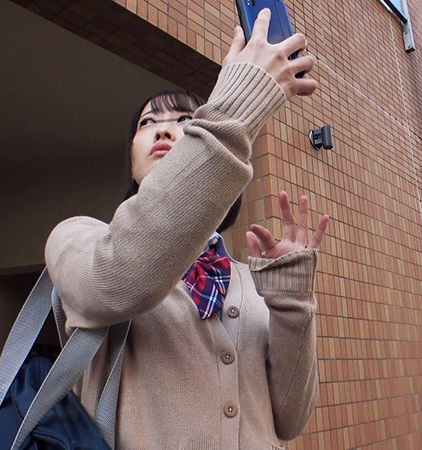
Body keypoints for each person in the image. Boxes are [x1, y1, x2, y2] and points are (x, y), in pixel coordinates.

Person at [44, 10, 330, 448]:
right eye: (147, 123)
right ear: (131, 158)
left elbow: (290, 419)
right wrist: (239, 104)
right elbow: (119, 280)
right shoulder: (77, 241)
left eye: (184, 121)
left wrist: (291, 301)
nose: (163, 130)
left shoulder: (249, 282)